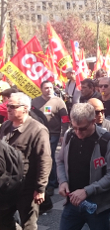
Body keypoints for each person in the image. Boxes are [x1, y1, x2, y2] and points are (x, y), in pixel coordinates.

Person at [0, 92, 51, 229]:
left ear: (25, 108)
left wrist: (40, 188)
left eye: (12, 106)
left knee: (28, 223)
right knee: (4, 220)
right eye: (7, 105)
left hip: (27, 187)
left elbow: (44, 160)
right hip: (6, 186)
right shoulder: (5, 126)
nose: (8, 109)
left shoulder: (38, 130)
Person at [32, 81, 70, 196]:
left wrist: (63, 134)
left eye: (50, 88)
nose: (48, 90)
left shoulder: (59, 102)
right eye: (46, 88)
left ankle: (52, 183)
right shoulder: (35, 101)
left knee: (50, 156)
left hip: (53, 134)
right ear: (41, 89)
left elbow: (65, 119)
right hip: (38, 134)